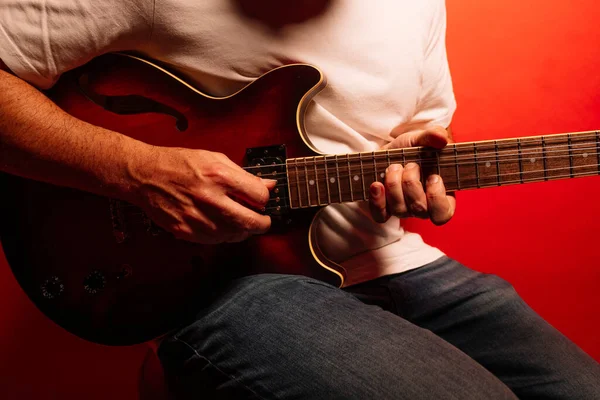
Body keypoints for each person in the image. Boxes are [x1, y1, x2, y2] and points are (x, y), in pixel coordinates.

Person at [0, 1, 598, 398]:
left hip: (396, 262)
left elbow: (415, 133)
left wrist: (412, 165)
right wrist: (138, 171)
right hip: (222, 278)